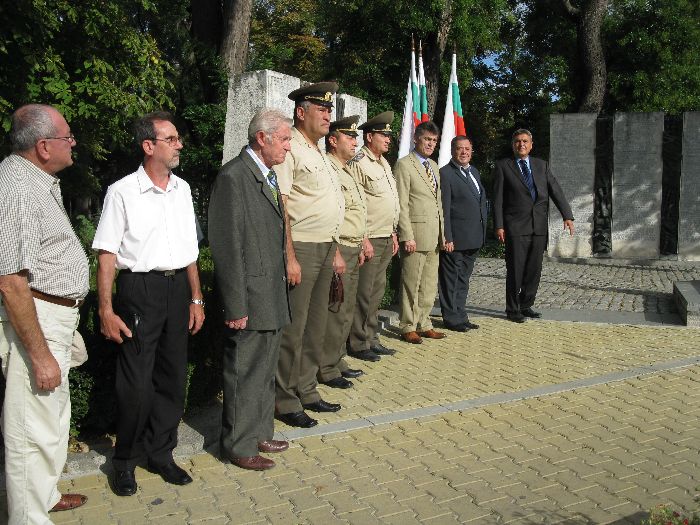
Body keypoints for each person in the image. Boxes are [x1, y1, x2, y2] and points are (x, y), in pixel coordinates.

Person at [93, 111, 205, 496]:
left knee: (173, 378)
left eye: (177, 138)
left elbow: (190, 251)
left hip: (177, 290)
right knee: (136, 383)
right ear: (148, 146)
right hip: (140, 290)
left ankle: (161, 453)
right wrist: (105, 309)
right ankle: (125, 460)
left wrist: (196, 297)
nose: (179, 145)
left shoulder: (183, 190)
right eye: (171, 139)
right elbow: (106, 254)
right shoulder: (122, 192)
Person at [0, 104, 89, 524]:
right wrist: (38, 354)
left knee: (51, 417)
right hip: (36, 319)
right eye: (67, 137)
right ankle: (28, 518)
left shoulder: (36, 181)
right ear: (43, 146)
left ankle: (45, 495)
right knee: (30, 429)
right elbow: (9, 280)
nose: (73, 143)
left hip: (53, 316)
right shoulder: (17, 187)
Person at [208, 108, 293, 470]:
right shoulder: (233, 177)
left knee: (264, 368)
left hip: (270, 292)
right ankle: (239, 445)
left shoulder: (266, 175)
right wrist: (235, 305)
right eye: (284, 139)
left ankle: (260, 432)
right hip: (250, 296)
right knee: (244, 371)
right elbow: (226, 247)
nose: (288, 147)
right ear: (262, 138)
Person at [275, 82, 346, 428]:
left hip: (325, 245)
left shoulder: (317, 151)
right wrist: (289, 255)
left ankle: (306, 389)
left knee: (315, 326)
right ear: (301, 113)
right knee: (295, 328)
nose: (328, 115)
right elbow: (283, 203)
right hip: (302, 246)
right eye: (322, 109)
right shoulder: (290, 146)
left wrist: (335, 250)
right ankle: (284, 399)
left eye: (330, 110)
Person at [493, 128, 574, 323]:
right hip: (515, 227)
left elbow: (555, 190)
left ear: (531, 145)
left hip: (538, 226)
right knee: (516, 270)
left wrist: (567, 215)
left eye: (525, 141)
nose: (521, 144)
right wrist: (499, 225)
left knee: (534, 270)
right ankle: (513, 309)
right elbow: (497, 199)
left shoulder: (541, 165)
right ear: (513, 145)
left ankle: (526, 304)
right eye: (518, 141)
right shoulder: (503, 166)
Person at [318, 115, 368, 389]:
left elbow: (355, 212)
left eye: (355, 138)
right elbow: (333, 214)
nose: (354, 142)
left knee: (346, 309)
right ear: (333, 141)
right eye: (349, 137)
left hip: (352, 244)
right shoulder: (329, 168)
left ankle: (337, 359)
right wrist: (337, 248)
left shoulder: (347, 169)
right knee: (335, 310)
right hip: (340, 246)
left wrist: (361, 241)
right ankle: (326, 367)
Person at [347, 111, 400, 362]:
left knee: (376, 292)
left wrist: (393, 232)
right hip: (370, 237)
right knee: (364, 293)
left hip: (386, 235)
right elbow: (356, 203)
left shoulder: (383, 163)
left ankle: (371, 337)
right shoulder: (359, 162)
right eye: (383, 135)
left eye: (389, 135)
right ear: (369, 137)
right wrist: (364, 238)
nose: (388, 139)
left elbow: (389, 201)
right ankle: (358, 343)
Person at [395, 121, 445, 344]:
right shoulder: (404, 165)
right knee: (411, 284)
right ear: (416, 139)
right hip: (415, 235)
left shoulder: (434, 166)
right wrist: (406, 235)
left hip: (433, 235)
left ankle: (424, 323)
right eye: (427, 139)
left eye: (434, 140)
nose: (430, 144)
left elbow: (438, 203)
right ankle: (408, 325)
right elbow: (402, 203)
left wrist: (443, 234)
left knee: (429, 284)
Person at [438, 136, 487, 332]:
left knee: (463, 280)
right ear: (452, 151)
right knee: (450, 280)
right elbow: (445, 208)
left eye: (467, 148)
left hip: (473, 237)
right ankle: (451, 318)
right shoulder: (445, 174)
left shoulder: (474, 171)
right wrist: (447, 237)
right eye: (460, 149)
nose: (464, 152)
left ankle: (461, 315)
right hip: (455, 239)